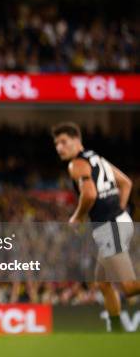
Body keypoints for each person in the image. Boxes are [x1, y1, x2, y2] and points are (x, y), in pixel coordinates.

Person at [52, 122, 139, 332]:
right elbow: (126, 183)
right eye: (56, 144)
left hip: (111, 227)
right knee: (102, 283)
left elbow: (89, 194)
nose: (59, 147)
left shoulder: (77, 164)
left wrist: (76, 217)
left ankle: (116, 331)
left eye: (64, 142)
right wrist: (119, 211)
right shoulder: (97, 159)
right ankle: (116, 331)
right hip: (116, 223)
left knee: (128, 288)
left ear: (76, 141)